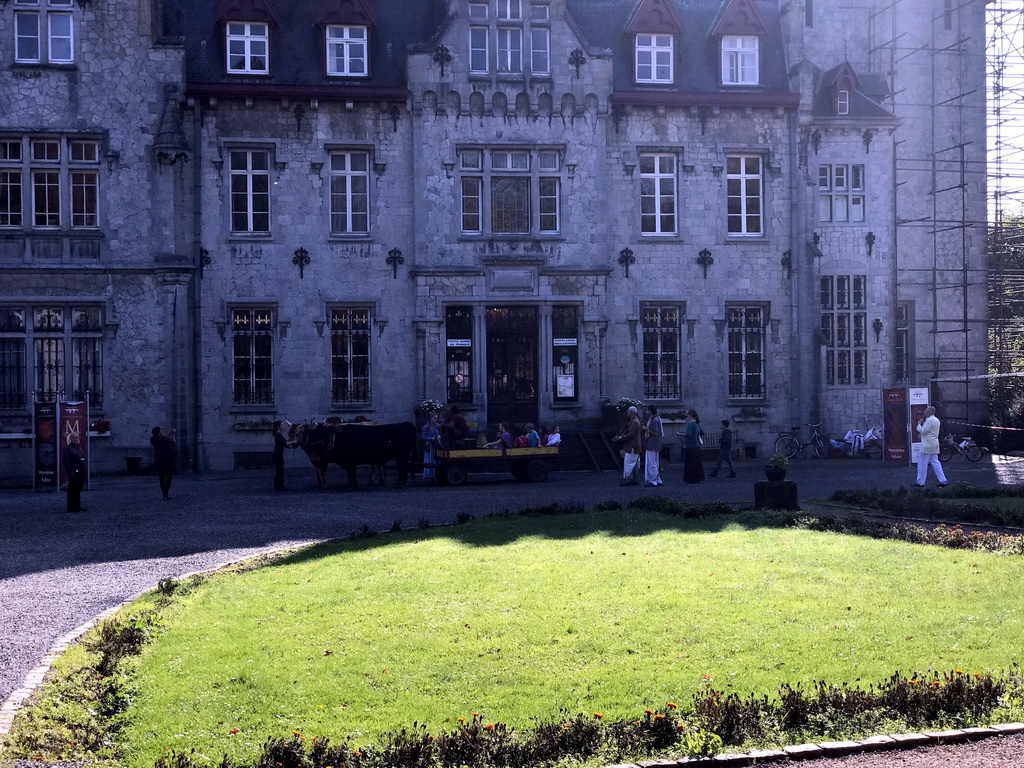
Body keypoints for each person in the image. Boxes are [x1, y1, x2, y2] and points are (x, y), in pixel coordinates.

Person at [915, 405, 948, 487]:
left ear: (930, 412)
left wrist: (919, 425)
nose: (924, 412)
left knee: (922, 463)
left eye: (926, 410)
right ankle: (943, 480)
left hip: (927, 446)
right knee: (935, 462)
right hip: (934, 445)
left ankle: (920, 482)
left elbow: (924, 431)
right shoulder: (936, 420)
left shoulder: (930, 420)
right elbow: (929, 431)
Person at [611, 405, 642, 485]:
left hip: (632, 446)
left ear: (631, 412)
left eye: (628, 411)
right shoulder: (634, 421)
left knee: (629, 463)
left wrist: (621, 437)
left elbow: (631, 434)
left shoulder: (634, 422)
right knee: (634, 463)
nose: (627, 413)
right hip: (634, 446)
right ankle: (634, 479)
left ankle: (628, 479)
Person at [150, 426, 178, 500]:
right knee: (168, 479)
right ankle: (166, 495)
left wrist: (170, 433)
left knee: (162, 479)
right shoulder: (163, 439)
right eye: (161, 430)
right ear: (159, 432)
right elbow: (172, 443)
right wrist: (173, 434)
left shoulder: (154, 440)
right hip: (167, 461)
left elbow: (165, 440)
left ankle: (164, 495)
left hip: (159, 461)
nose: (162, 431)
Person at [62, 432, 87, 513]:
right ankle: (71, 507)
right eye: (74, 438)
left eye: (77, 437)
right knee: (72, 490)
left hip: (80, 471)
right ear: (71, 439)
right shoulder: (68, 448)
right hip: (73, 472)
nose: (76, 439)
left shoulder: (78, 448)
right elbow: (66, 461)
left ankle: (77, 505)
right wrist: (71, 472)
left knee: (78, 489)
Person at [678, 409, 705, 484]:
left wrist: (680, 434)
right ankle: (698, 477)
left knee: (690, 463)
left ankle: (691, 478)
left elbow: (688, 434)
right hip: (697, 446)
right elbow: (702, 433)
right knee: (697, 463)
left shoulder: (690, 424)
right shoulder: (697, 424)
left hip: (691, 446)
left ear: (690, 415)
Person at [643, 405, 664, 487]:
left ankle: (653, 480)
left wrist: (646, 429)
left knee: (652, 463)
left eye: (647, 410)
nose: (646, 412)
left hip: (652, 444)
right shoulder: (655, 419)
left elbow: (655, 432)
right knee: (655, 462)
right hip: (654, 444)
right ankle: (657, 479)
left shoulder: (654, 420)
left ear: (650, 411)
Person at [421, 413, 440, 480]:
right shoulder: (426, 427)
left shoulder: (437, 425)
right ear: (431, 418)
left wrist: (438, 436)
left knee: (435, 458)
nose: (436, 420)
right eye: (434, 418)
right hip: (429, 445)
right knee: (429, 458)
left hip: (436, 444)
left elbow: (439, 433)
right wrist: (430, 438)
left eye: (436, 418)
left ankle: (435, 474)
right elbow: (423, 436)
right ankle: (429, 474)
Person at [272, 420, 287, 491]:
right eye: (282, 425)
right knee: (279, 471)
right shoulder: (278, 435)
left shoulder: (279, 434)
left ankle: (280, 486)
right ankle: (278, 486)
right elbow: (285, 443)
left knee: (280, 471)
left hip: (278, 454)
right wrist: (294, 442)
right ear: (278, 426)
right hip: (278, 455)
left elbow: (285, 443)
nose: (283, 426)